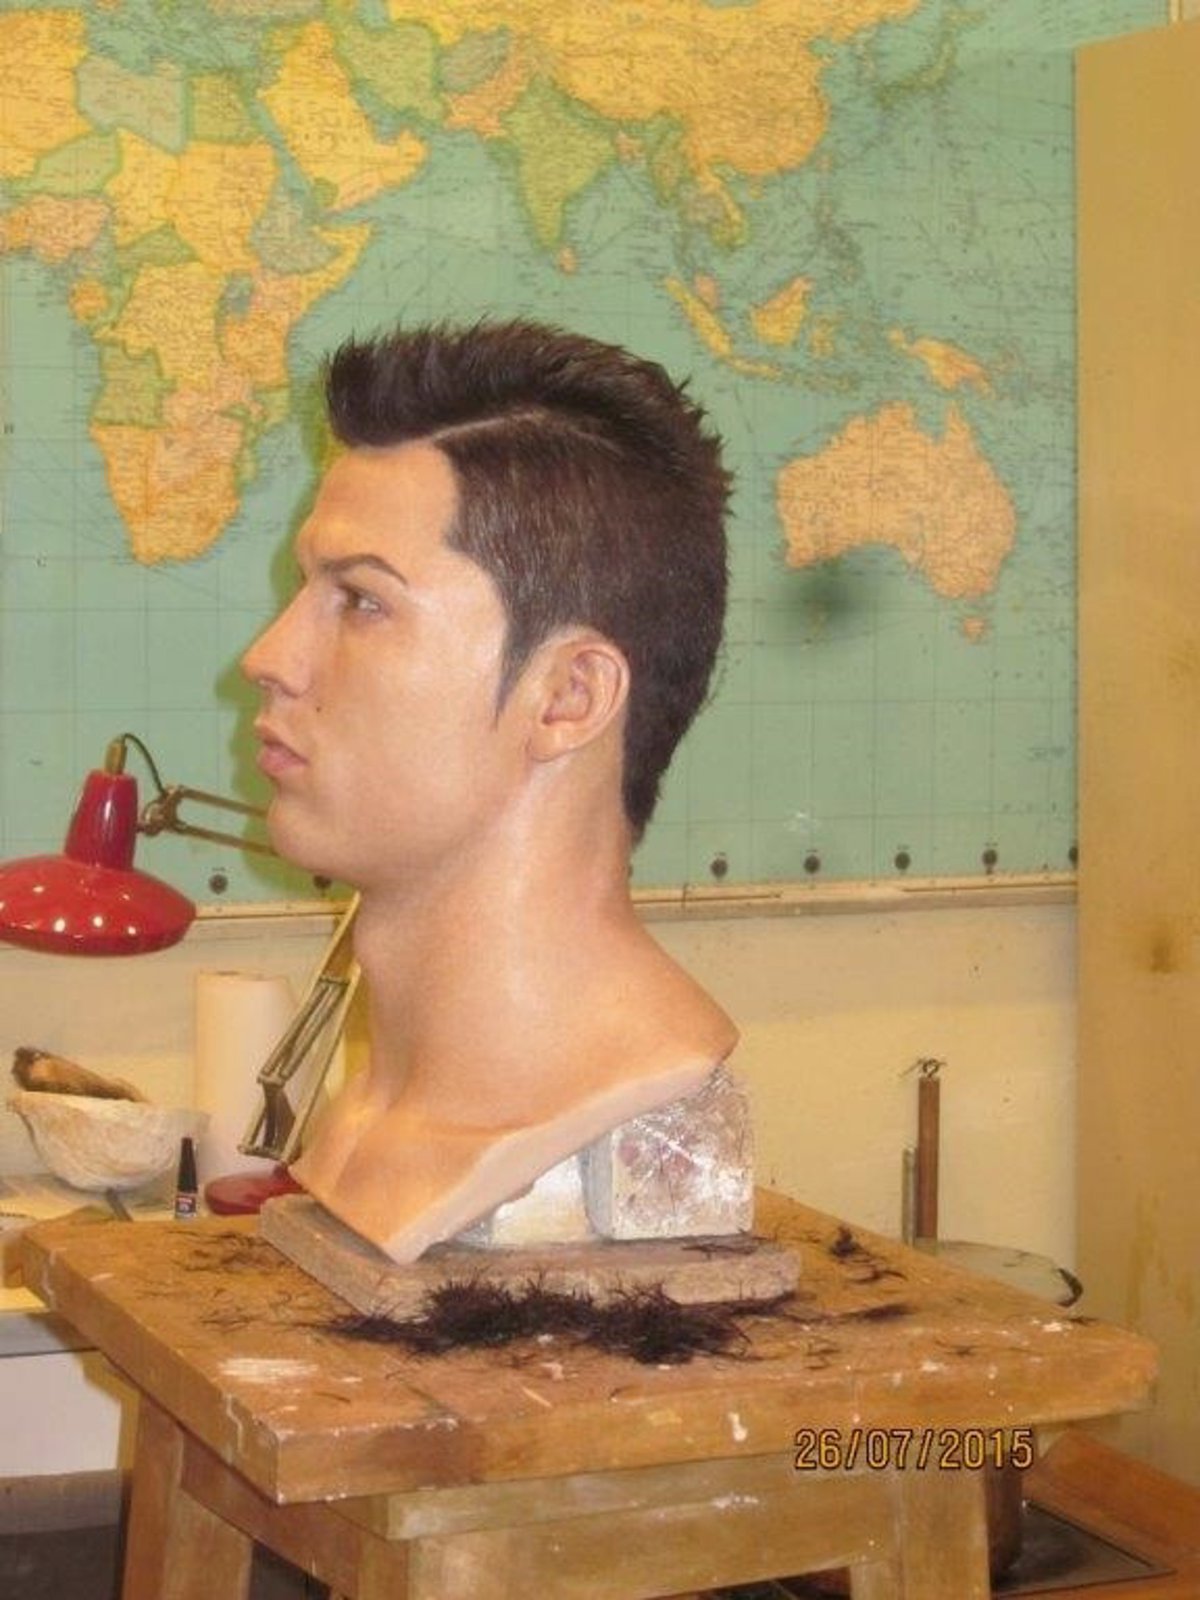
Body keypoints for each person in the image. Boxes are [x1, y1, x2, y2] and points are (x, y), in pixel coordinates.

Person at [242, 319, 738, 1262]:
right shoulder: (360, 1130)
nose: (269, 658)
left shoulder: (623, 1095)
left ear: (568, 697)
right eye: (306, 591)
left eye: (363, 601)